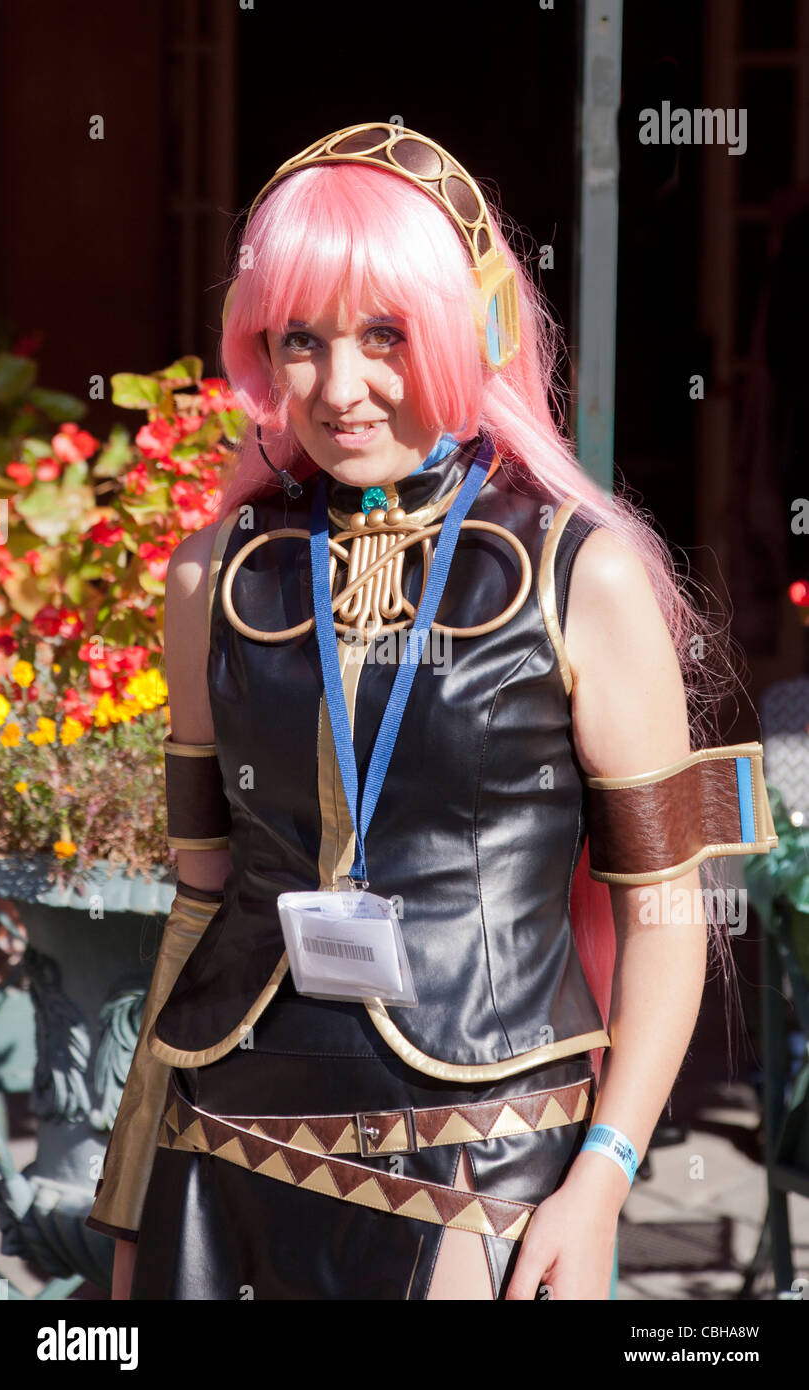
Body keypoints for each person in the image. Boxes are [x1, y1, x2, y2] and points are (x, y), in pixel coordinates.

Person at [86, 122, 778, 1301]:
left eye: (386, 335)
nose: (339, 387)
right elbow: (199, 903)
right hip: (222, 1149)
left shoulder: (585, 572)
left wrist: (605, 1176)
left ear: (468, 331)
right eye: (297, 339)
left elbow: (669, 913)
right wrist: (129, 1191)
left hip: (485, 1159)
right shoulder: (212, 578)